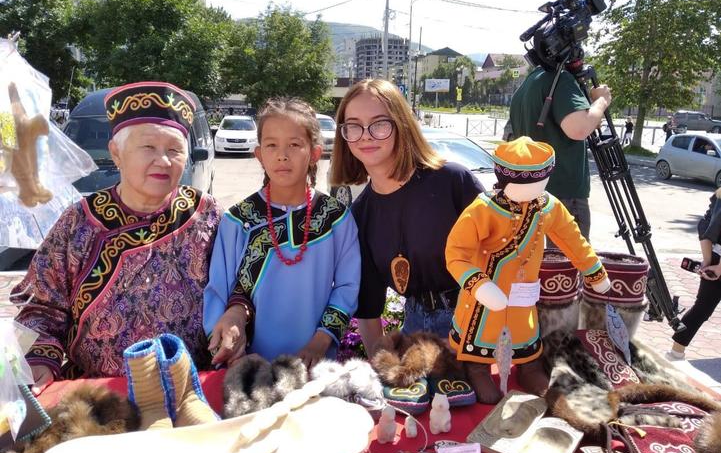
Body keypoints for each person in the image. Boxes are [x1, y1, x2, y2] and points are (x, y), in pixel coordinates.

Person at [10, 82, 226, 393]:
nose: (163, 161)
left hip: (189, 391)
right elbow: (40, 308)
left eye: (175, 150)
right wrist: (41, 360)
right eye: (148, 148)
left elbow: (237, 293)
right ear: (116, 153)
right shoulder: (79, 222)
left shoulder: (208, 214)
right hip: (95, 393)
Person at [445, 137, 610, 403]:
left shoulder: (549, 206)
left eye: (536, 185)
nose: (529, 192)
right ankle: (477, 367)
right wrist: (479, 285)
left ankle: (529, 368)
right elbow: (455, 253)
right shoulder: (483, 209)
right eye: (521, 186)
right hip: (486, 294)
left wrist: (594, 271)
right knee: (484, 331)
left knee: (524, 330)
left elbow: (572, 239)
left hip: (524, 293)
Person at [329, 78, 484, 355]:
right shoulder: (360, 214)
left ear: (401, 124)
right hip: (415, 333)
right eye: (353, 125)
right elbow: (368, 306)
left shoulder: (452, 181)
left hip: (476, 325)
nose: (365, 135)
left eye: (379, 123)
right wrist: (381, 367)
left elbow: (502, 254)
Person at [203, 98, 361, 369]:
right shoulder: (237, 221)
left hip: (315, 364)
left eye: (295, 145)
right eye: (271, 145)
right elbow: (219, 292)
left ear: (314, 153)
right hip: (249, 366)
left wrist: (321, 341)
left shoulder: (336, 218)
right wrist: (230, 349)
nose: (282, 155)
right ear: (259, 154)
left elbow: (347, 288)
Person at [509, 66, 612, 240]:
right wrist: (601, 100)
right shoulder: (560, 79)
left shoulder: (530, 82)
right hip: (563, 195)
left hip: (529, 193)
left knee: (541, 264)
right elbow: (579, 128)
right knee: (566, 264)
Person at [667, 187, 721, 360]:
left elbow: (704, 226)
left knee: (702, 307)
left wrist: (707, 261)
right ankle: (676, 351)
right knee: (702, 308)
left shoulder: (718, 194)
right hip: (716, 261)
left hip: (714, 255)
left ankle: (675, 352)